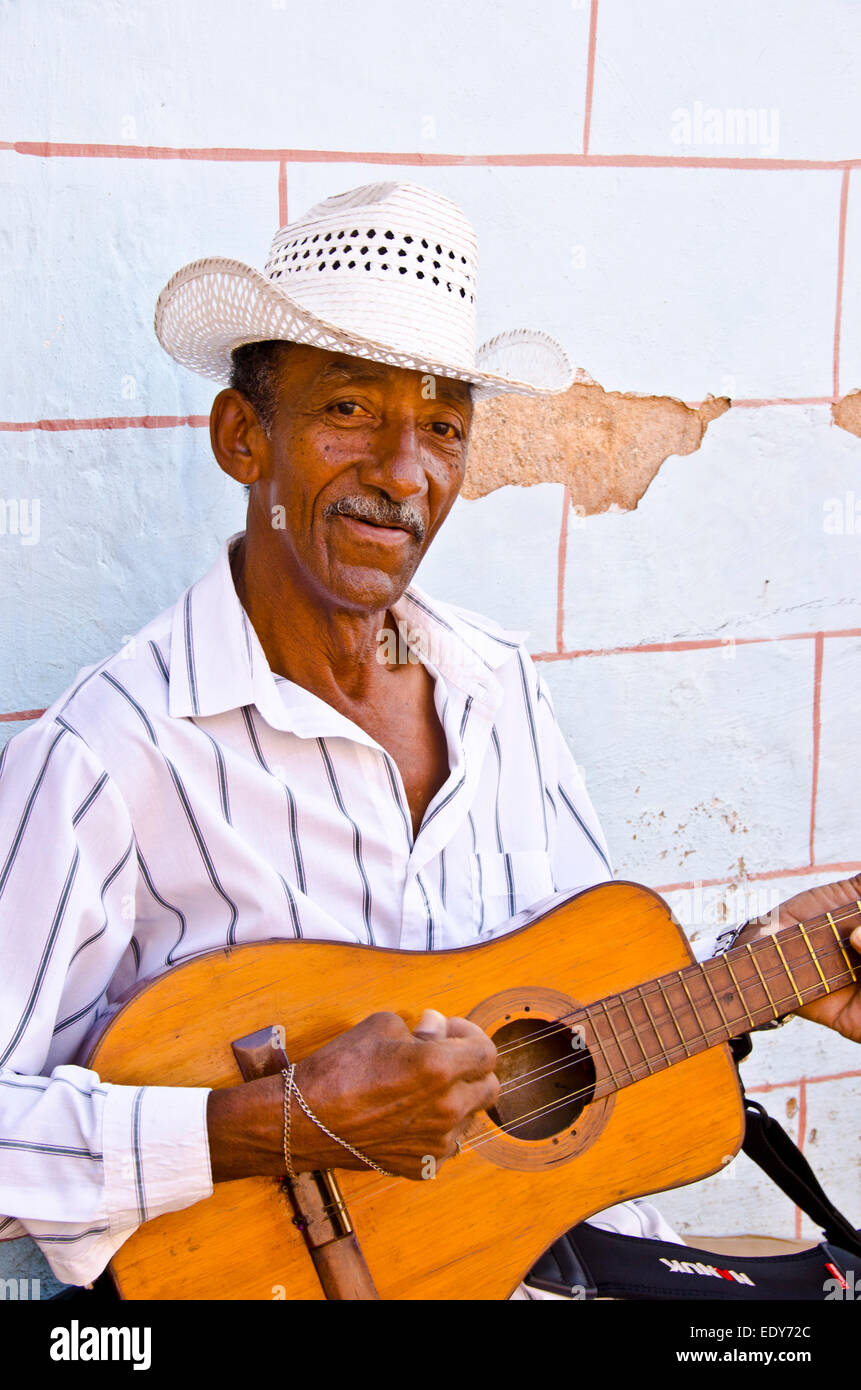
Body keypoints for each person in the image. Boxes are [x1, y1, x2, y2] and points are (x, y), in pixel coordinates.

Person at [0, 182, 858, 1298]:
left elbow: (577, 1021)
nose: (405, 471)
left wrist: (764, 972)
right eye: (350, 409)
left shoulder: (497, 686)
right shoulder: (107, 757)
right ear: (243, 437)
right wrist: (272, 1122)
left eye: (442, 426)